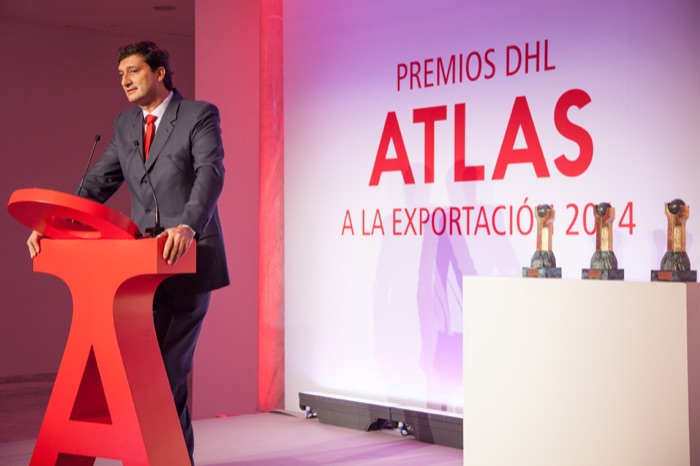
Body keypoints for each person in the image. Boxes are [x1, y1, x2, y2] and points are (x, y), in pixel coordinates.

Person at [26, 40, 229, 465]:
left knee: (165, 377)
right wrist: (53, 224)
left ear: (159, 73)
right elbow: (99, 182)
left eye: (133, 71)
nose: (125, 81)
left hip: (187, 262)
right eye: (120, 74)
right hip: (136, 272)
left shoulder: (198, 115)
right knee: (144, 381)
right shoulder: (124, 125)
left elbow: (210, 174)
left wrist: (187, 225)